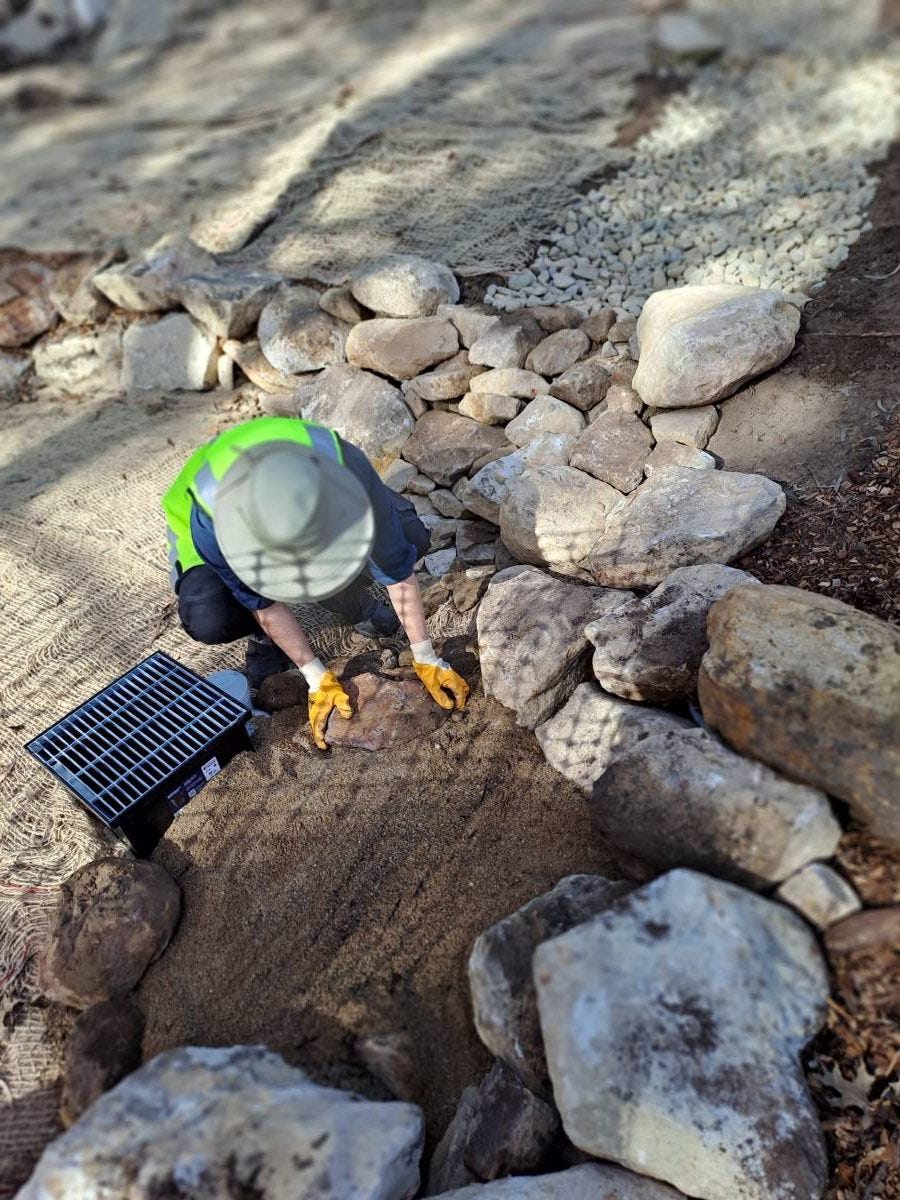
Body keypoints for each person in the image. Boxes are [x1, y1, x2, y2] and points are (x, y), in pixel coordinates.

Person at [162, 415, 468, 748]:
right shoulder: (213, 528)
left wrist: (426, 656)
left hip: (301, 491)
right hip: (211, 525)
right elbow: (262, 603)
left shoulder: (345, 466)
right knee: (209, 613)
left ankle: (349, 600)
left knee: (408, 536)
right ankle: (264, 640)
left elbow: (395, 568)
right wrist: (315, 677)